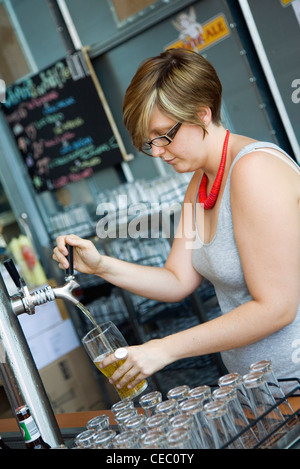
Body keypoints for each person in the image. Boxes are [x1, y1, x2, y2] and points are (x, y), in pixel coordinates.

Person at [53, 48, 300, 394]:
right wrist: (100, 265)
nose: (156, 150)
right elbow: (177, 279)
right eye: (147, 141)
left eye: (163, 134)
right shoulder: (200, 184)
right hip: (262, 388)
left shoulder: (254, 171)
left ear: (202, 113)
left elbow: (277, 308)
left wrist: (163, 349)